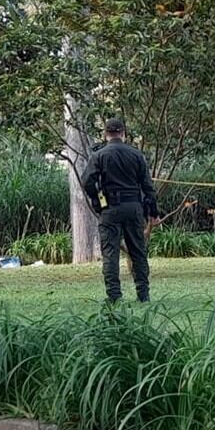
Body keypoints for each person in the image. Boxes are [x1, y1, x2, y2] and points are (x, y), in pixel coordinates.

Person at [81, 118, 161, 303]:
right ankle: (143, 294)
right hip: (134, 208)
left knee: (111, 253)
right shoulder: (137, 155)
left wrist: (98, 200)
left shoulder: (100, 156)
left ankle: (114, 296)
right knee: (138, 251)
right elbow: (148, 187)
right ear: (124, 134)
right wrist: (153, 213)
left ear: (105, 134)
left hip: (111, 208)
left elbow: (87, 182)